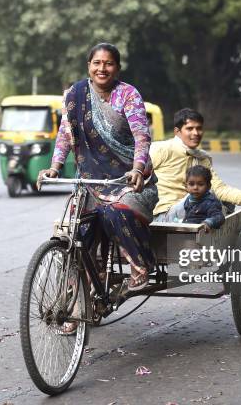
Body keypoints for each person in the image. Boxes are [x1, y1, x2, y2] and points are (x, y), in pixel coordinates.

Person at [38, 43, 158, 293]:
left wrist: (137, 169)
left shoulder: (128, 95)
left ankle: (140, 267)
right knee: (77, 228)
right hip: (91, 183)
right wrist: (54, 167)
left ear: (117, 68)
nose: (102, 68)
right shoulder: (76, 95)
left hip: (129, 182)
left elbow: (141, 137)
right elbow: (64, 134)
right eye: (97, 63)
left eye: (108, 63)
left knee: (115, 212)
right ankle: (76, 295)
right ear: (89, 66)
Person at [150, 108, 241, 220]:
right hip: (165, 215)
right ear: (177, 131)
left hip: (191, 214)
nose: (196, 133)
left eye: (199, 128)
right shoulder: (161, 149)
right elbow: (136, 173)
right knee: (205, 197)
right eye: (190, 129)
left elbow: (219, 188)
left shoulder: (201, 158)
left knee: (226, 201)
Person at [164, 165, 225, 232]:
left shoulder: (210, 202)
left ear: (208, 186)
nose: (195, 187)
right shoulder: (189, 199)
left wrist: (208, 223)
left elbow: (219, 217)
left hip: (201, 236)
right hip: (189, 232)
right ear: (186, 186)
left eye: (200, 184)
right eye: (191, 184)